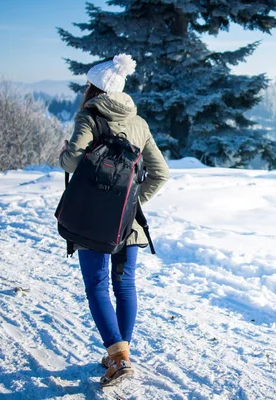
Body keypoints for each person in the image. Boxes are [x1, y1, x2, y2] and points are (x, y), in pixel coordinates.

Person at [59, 54, 169, 386]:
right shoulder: (139, 123)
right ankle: (121, 354)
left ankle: (119, 359)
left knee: (96, 285)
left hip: (92, 221)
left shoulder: (88, 117)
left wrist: (65, 152)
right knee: (124, 285)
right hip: (128, 223)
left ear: (95, 89)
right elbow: (161, 173)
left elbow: (71, 162)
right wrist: (132, 203)